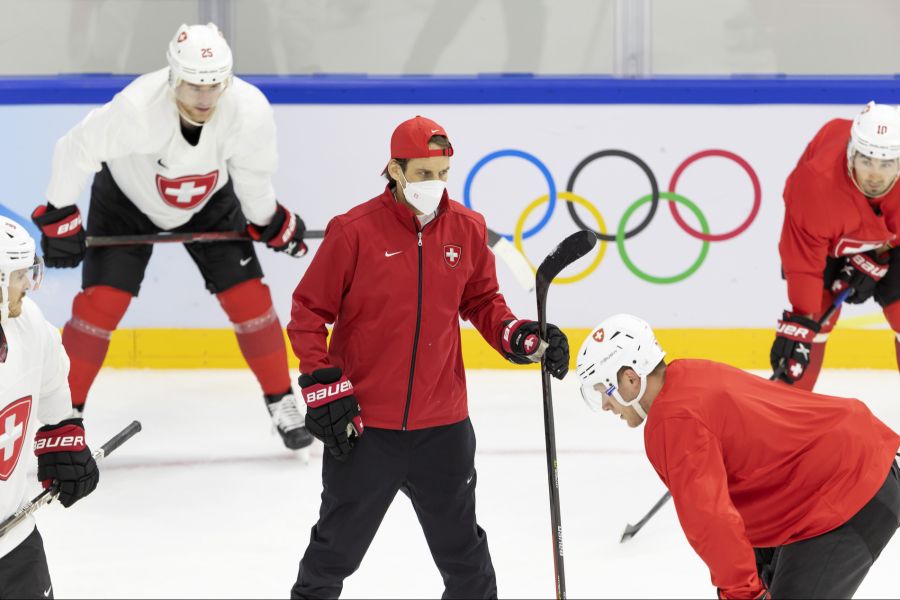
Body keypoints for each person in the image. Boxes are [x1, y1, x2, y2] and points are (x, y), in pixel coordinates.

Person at [285, 115, 570, 598]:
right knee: (332, 556)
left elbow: (483, 303)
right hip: (366, 430)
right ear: (395, 170)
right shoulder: (353, 231)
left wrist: (519, 336)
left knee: (467, 565)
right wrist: (324, 385)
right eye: (422, 174)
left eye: (442, 174)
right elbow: (308, 312)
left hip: (443, 428)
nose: (434, 185)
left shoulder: (467, 228)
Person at [30, 23, 312, 451]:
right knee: (101, 306)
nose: (204, 98)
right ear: (172, 78)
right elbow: (76, 148)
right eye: (193, 86)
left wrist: (269, 220)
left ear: (228, 80)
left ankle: (281, 401)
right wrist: (60, 213)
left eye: (214, 85)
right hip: (126, 201)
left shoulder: (249, 111)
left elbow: (253, 179)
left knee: (250, 298)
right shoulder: (137, 109)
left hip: (212, 202)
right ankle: (63, 416)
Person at [576, 313, 900, 599]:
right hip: (831, 477)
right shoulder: (687, 374)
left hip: (847, 490)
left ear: (631, 379)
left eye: (604, 392)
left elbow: (711, 520)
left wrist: (744, 593)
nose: (606, 405)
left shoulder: (673, 421)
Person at [0, 216, 101, 599]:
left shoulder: (29, 323)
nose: (28, 284)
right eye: (18, 275)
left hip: (14, 540)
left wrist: (62, 438)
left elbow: (52, 383)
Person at [771, 101, 900, 390]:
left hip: (889, 240)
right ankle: (790, 414)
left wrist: (879, 254)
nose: (875, 175)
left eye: (886, 163)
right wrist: (802, 321)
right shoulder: (816, 184)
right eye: (866, 160)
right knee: (813, 322)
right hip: (826, 241)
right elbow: (802, 259)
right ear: (852, 154)